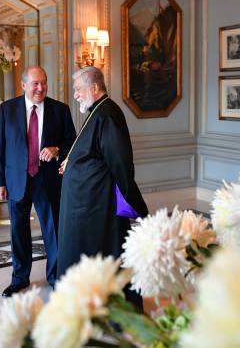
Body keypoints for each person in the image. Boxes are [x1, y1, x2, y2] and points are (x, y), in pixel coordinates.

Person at [57, 66, 149, 308]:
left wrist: (135, 203)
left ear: (94, 87)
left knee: (103, 256)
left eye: (78, 89)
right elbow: (92, 150)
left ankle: (108, 305)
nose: (75, 95)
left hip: (97, 208)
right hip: (86, 205)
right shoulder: (97, 111)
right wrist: (71, 161)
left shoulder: (107, 114)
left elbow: (120, 162)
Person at [0, 66, 76, 297]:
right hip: (16, 180)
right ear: (23, 85)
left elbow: (73, 142)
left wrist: (57, 148)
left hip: (47, 180)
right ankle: (19, 279)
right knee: (18, 231)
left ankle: (56, 277)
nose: (41, 88)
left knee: (53, 231)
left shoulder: (61, 110)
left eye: (44, 83)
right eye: (36, 83)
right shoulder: (8, 110)